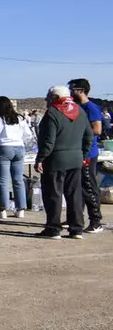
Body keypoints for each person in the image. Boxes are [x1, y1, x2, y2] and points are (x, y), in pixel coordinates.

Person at [35, 86, 93, 239]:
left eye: (49, 97)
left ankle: (53, 229)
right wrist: (83, 154)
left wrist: (40, 158)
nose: (47, 100)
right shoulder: (80, 111)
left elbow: (48, 141)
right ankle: (77, 229)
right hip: (75, 160)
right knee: (74, 195)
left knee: (53, 195)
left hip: (55, 161)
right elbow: (89, 136)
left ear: (55, 97)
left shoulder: (52, 113)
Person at [68, 79, 104, 233]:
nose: (70, 92)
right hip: (76, 151)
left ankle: (96, 221)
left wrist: (78, 131)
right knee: (77, 187)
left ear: (81, 90)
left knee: (89, 187)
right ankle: (76, 218)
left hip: (88, 153)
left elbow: (97, 130)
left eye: (72, 89)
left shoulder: (91, 108)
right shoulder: (76, 107)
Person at [0, 95, 32, 220]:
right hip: (19, 147)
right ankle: (20, 209)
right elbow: (28, 135)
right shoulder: (20, 118)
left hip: (3, 148)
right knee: (18, 179)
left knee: (3, 180)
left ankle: (3, 209)